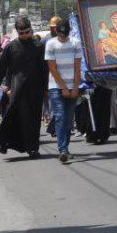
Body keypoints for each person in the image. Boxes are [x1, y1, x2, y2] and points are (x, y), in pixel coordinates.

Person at [0, 17, 48, 158]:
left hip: (36, 88)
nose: (24, 35)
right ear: (17, 32)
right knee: (19, 116)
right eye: (21, 33)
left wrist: (46, 88)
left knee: (35, 118)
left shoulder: (39, 46)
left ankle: (33, 148)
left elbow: (44, 68)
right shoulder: (11, 47)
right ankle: (6, 143)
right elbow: (1, 68)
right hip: (17, 88)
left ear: (31, 30)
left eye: (26, 32)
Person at [45, 18, 83, 164]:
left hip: (72, 84)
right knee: (60, 116)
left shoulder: (75, 43)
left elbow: (78, 67)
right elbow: (52, 68)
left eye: (65, 34)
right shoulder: (50, 44)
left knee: (68, 118)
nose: (63, 37)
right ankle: (62, 149)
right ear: (56, 31)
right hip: (56, 85)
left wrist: (75, 87)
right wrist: (63, 87)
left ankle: (65, 148)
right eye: (61, 34)